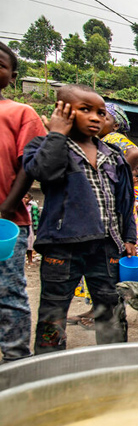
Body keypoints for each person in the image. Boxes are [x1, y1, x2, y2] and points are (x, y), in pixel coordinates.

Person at [23, 84, 136, 353]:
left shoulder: (113, 155)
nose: (96, 117)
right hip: (62, 245)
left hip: (106, 245)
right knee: (54, 310)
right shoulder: (47, 145)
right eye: (86, 110)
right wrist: (57, 134)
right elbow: (43, 171)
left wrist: (128, 236)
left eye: (100, 112)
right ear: (62, 111)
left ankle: (113, 365)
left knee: (110, 308)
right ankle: (49, 366)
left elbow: (125, 202)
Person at [0, 42, 46, 362]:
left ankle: (16, 361)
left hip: (7, 222)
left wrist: (5, 208)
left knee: (9, 292)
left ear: (12, 76)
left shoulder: (20, 113)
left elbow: (30, 166)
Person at [100, 102, 138, 170]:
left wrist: (119, 176)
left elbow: (135, 153)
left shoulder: (112, 136)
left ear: (116, 126)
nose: (99, 120)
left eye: (105, 118)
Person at [23, 192, 39, 265]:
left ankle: (30, 260)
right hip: (21, 226)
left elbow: (36, 218)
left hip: (30, 227)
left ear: (30, 199)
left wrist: (36, 228)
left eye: (26, 198)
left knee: (30, 244)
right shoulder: (19, 207)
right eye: (23, 197)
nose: (24, 199)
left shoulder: (33, 207)